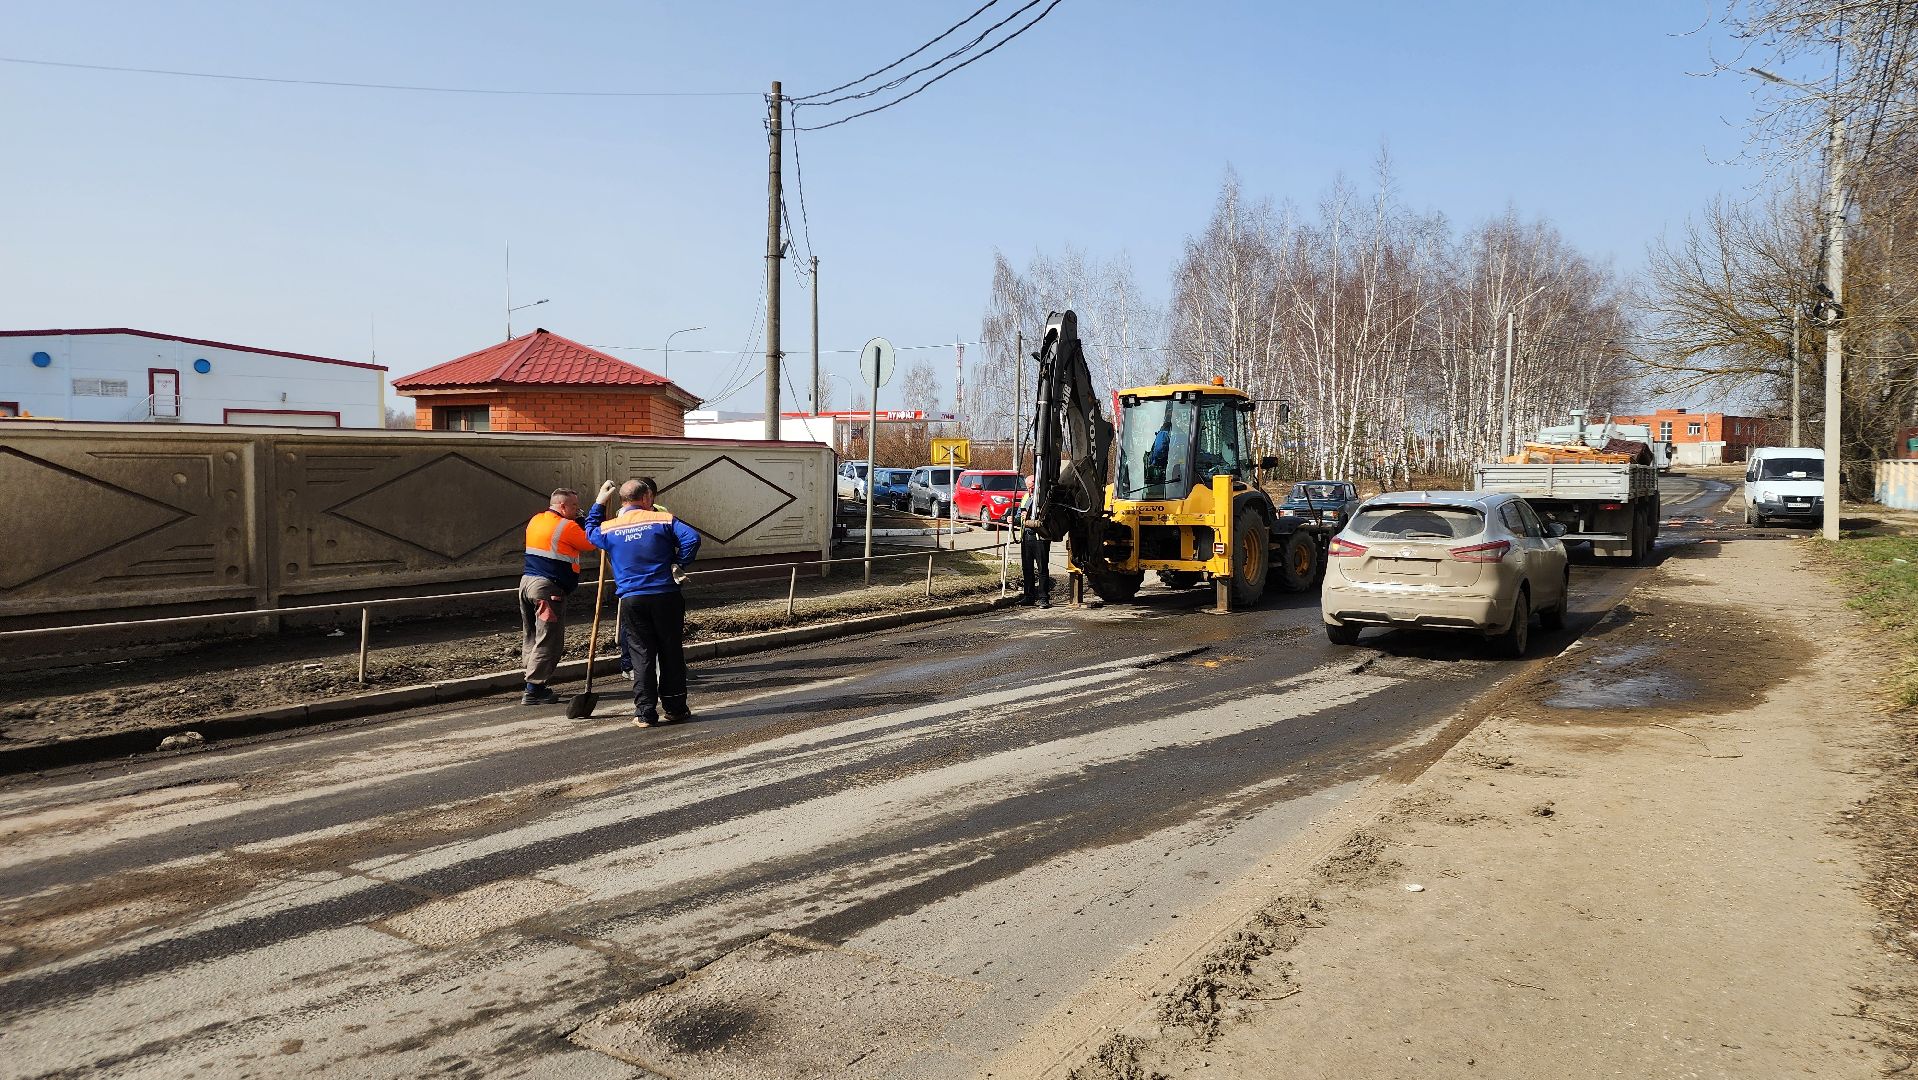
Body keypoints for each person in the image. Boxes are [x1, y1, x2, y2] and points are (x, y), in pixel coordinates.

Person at [586, 477, 701, 728]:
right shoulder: (663, 520)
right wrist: (679, 563)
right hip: (665, 594)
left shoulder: (610, 528)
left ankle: (645, 712)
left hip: (632, 598)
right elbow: (692, 538)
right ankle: (675, 708)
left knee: (641, 654)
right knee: (670, 650)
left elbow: (590, 532)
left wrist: (598, 503)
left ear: (622, 501)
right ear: (647, 497)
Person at [519, 487, 593, 705]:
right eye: (574, 506)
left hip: (527, 583)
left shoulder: (536, 520)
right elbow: (589, 543)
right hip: (547, 589)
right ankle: (534, 688)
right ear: (562, 506)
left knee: (532, 635)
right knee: (549, 639)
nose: (578, 510)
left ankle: (531, 678)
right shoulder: (567, 525)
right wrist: (586, 521)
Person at [1017, 480, 1052, 608]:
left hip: (1039, 538)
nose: (1029, 490)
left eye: (1031, 488)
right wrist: (1013, 518)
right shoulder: (1026, 497)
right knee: (1027, 568)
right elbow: (1018, 515)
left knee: (1042, 568)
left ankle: (1043, 598)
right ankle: (1028, 596)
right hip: (1026, 537)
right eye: (1027, 488)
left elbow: (1048, 518)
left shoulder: (1044, 499)